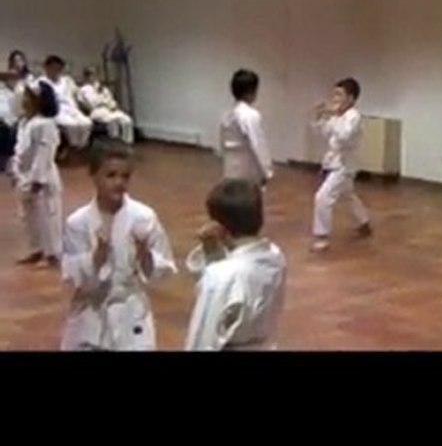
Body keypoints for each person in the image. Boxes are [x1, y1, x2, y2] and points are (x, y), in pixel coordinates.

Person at [60, 139, 177, 351]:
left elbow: (164, 267)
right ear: (94, 175)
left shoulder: (143, 217)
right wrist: (97, 257)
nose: (119, 183)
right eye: (111, 175)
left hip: (132, 313)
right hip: (92, 313)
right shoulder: (78, 222)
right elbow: (72, 275)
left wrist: (145, 256)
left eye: (125, 176)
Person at [184, 179, 287, 350]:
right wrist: (211, 251)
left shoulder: (221, 276)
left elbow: (204, 336)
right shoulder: (276, 257)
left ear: (218, 228)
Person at [310, 77, 371, 252]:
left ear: (350, 98)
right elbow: (324, 132)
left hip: (345, 166)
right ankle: (363, 222)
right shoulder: (339, 116)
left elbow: (344, 136)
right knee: (347, 195)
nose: (335, 98)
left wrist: (335, 115)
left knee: (322, 197)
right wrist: (319, 117)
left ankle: (322, 237)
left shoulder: (354, 116)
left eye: (339, 95)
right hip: (334, 162)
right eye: (334, 94)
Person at [8, 81, 62, 267]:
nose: (24, 100)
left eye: (29, 97)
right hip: (24, 175)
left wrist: (38, 179)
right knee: (29, 217)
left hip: (42, 177)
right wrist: (15, 169)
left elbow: (44, 153)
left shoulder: (45, 124)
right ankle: (36, 249)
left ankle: (51, 253)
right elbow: (19, 150)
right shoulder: (24, 123)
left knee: (46, 216)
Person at [218, 69, 272, 185]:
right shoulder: (250, 115)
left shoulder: (226, 115)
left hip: (229, 168)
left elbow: (222, 144)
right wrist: (266, 171)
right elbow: (258, 144)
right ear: (251, 92)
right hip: (247, 169)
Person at [40, 55, 92, 150]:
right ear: (47, 68)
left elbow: (77, 93)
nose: (56, 71)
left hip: (71, 107)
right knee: (71, 125)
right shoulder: (42, 82)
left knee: (86, 123)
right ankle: (73, 147)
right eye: (53, 68)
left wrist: (85, 101)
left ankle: (81, 147)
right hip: (56, 109)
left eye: (58, 69)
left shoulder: (67, 81)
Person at [77, 66, 135, 144]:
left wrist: (113, 105)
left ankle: (127, 142)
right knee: (113, 121)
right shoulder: (83, 89)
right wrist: (99, 94)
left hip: (108, 110)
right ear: (87, 77)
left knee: (127, 120)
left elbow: (110, 100)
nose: (94, 77)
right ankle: (114, 140)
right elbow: (92, 103)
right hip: (97, 111)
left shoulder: (103, 88)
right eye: (91, 75)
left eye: (96, 75)